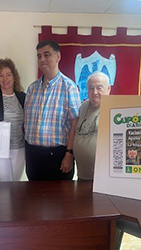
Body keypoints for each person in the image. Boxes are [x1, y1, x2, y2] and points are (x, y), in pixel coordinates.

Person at [24, 40, 81, 181]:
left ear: (58, 57)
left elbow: (75, 124)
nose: (42, 59)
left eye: (46, 54)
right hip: (33, 155)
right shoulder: (32, 89)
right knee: (33, 198)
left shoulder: (69, 87)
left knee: (59, 201)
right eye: (39, 56)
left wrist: (69, 153)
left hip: (58, 155)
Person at [73, 72, 112, 180]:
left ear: (108, 89)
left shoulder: (115, 110)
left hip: (103, 179)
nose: (94, 92)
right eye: (91, 88)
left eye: (99, 88)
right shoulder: (83, 106)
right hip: (82, 175)